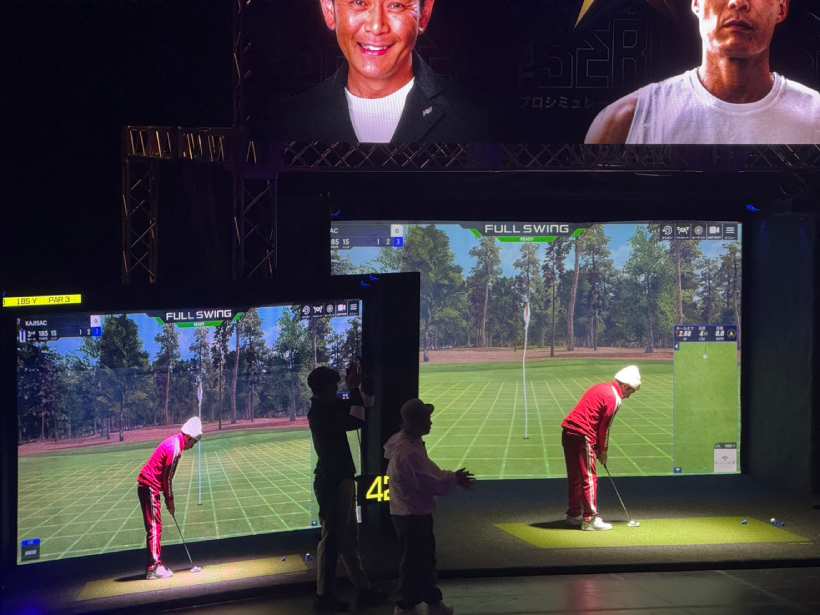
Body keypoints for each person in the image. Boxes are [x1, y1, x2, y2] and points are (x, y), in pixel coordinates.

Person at [585, 0, 820, 144]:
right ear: (696, 3)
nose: (738, 2)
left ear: (782, 8)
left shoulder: (815, 116)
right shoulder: (624, 122)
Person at [272, 0, 486, 143]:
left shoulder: (476, 121)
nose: (376, 27)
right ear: (329, 9)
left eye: (396, 5)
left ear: (424, 14)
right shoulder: (284, 124)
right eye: (359, 2)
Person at [384, 398, 475, 615]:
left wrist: (452, 477)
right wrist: (454, 478)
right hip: (412, 513)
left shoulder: (404, 443)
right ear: (415, 422)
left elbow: (429, 475)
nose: (431, 422)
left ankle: (430, 602)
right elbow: (430, 482)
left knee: (421, 560)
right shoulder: (408, 452)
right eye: (427, 418)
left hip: (408, 512)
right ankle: (405, 605)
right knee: (415, 562)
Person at [307, 363, 384, 612]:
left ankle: (363, 588)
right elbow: (357, 419)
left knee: (348, 538)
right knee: (332, 540)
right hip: (333, 480)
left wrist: (358, 385)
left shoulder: (326, 406)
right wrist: (353, 388)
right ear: (325, 388)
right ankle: (324, 597)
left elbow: (367, 403)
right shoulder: (320, 412)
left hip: (340, 478)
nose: (337, 390)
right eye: (334, 386)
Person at [560, 366, 641, 531]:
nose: (628, 396)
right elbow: (604, 428)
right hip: (583, 435)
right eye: (630, 392)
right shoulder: (614, 398)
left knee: (576, 476)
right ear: (625, 386)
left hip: (569, 432)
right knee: (589, 477)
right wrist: (603, 451)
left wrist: (597, 449)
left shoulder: (601, 387)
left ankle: (573, 515)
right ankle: (590, 519)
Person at [137, 416, 202, 579]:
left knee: (155, 526)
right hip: (149, 487)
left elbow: (166, 479)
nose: (192, 446)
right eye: (194, 442)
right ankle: (153, 568)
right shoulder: (175, 449)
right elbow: (167, 479)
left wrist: (168, 499)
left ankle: (155, 566)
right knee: (154, 527)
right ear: (188, 437)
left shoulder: (174, 442)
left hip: (150, 487)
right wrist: (170, 501)